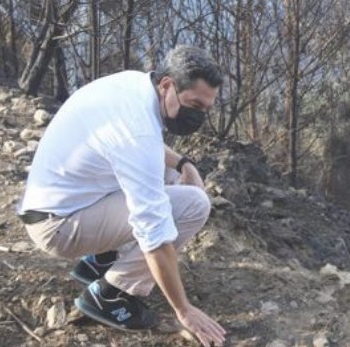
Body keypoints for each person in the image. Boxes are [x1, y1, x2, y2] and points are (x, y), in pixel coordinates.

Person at [17, 46, 227, 347]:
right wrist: (184, 310)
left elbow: (137, 145)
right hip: (58, 226)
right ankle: (112, 293)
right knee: (194, 204)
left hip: (61, 200)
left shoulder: (135, 85)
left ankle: (101, 258)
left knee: (169, 175)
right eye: (194, 104)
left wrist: (184, 164)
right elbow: (154, 233)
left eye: (205, 108)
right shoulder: (138, 131)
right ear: (167, 85)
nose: (197, 115)